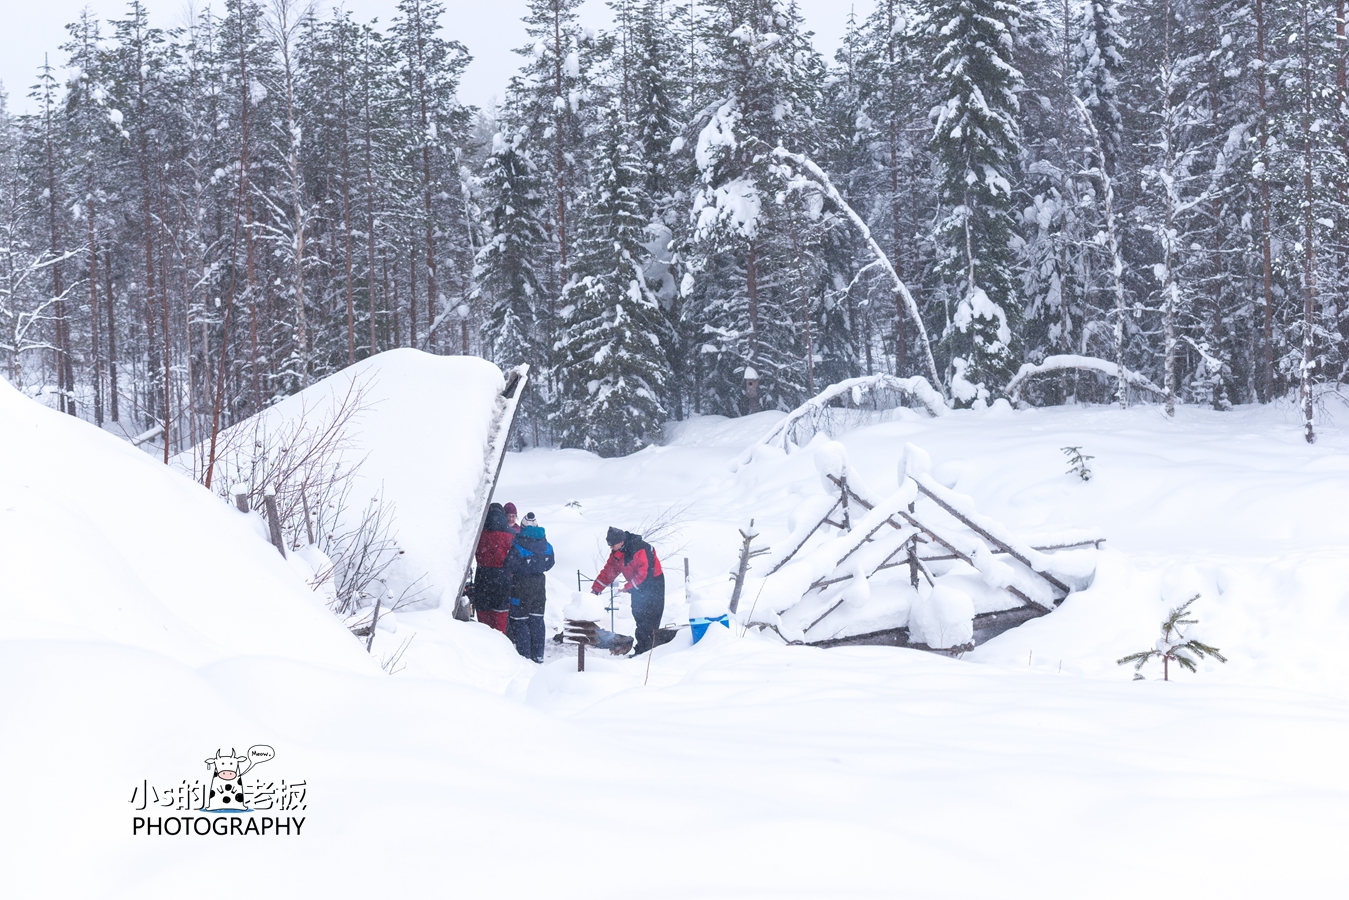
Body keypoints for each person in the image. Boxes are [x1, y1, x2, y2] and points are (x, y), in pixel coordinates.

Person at [591, 526, 665, 655]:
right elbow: (609, 571)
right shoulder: (617, 553)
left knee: (650, 618)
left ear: (621, 541)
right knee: (639, 615)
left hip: (653, 584)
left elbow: (645, 574)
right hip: (636, 585)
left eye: (612, 544)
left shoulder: (641, 548)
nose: (610, 547)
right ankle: (642, 648)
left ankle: (649, 651)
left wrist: (627, 587)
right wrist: (596, 589)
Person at [505, 512, 554, 662]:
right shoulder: (547, 545)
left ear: (523, 527)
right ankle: (538, 654)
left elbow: (509, 565)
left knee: (520, 620)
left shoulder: (518, 545)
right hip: (539, 585)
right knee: (537, 619)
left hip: (521, 585)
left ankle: (524, 655)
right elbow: (550, 563)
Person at [472, 503, 514, 634]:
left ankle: (484, 640)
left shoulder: (478, 533)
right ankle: (500, 640)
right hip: (502, 576)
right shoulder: (511, 534)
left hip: (482, 575)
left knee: (483, 611)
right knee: (500, 613)